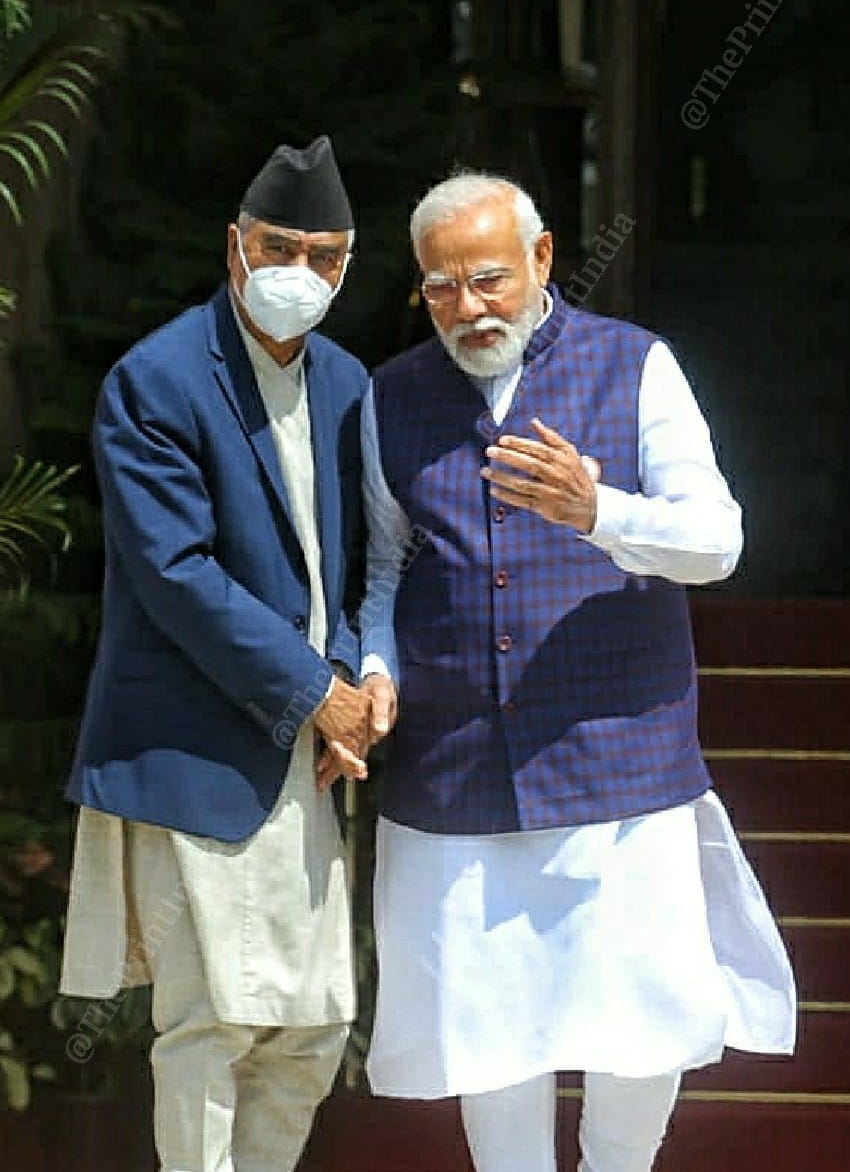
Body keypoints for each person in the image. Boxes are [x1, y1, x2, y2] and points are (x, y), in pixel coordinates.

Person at [358, 172, 796, 1172]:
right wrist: (378, 668)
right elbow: (384, 568)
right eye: (441, 288)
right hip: (459, 777)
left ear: (543, 258)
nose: (467, 308)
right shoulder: (390, 396)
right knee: (488, 1035)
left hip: (620, 769)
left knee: (642, 1019)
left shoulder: (634, 366)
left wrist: (600, 512)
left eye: (488, 280)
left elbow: (717, 542)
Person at [60, 136, 382, 1172]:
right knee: (212, 1023)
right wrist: (314, 691)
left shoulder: (347, 383)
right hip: (197, 741)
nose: (299, 271)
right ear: (234, 245)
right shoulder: (155, 378)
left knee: (315, 1027)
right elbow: (178, 575)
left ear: (347, 265)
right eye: (278, 247)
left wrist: (358, 680)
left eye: (323, 256)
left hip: (310, 755)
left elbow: (364, 561)